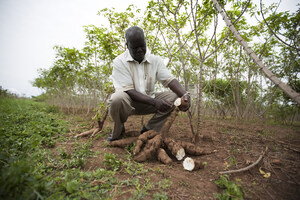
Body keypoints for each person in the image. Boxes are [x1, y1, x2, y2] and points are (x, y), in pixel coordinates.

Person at [107, 26, 190, 141]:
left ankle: (149, 130)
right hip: (129, 103)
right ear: (127, 46)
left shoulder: (155, 60)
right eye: (135, 48)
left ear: (145, 42)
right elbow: (129, 91)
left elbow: (169, 80)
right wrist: (155, 102)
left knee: (176, 97)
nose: (140, 50)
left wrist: (185, 95)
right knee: (116, 98)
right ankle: (118, 130)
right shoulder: (119, 62)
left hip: (149, 101)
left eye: (142, 46)